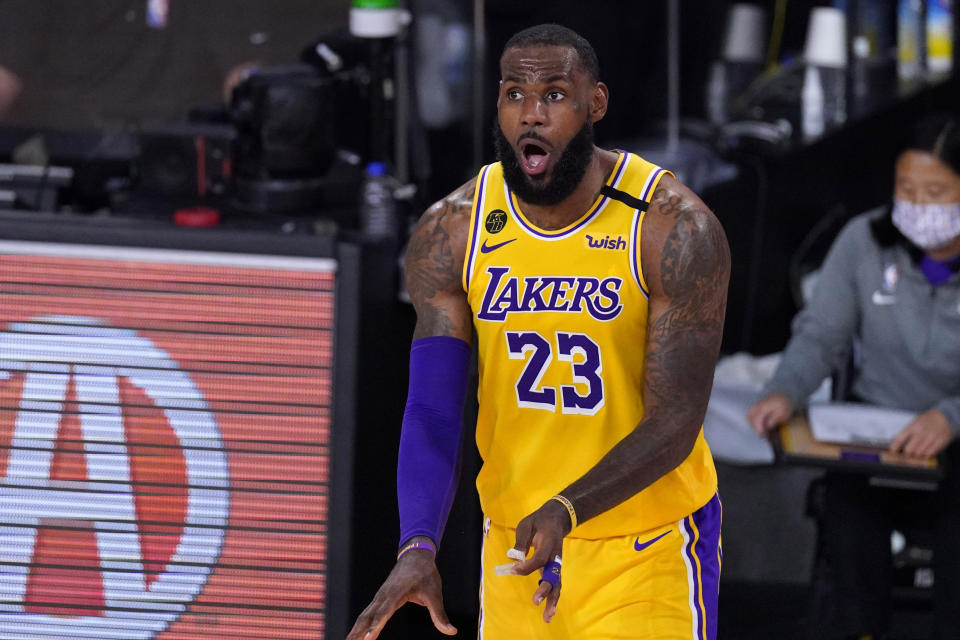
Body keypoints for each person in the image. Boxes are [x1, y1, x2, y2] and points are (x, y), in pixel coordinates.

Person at [347, 24, 730, 640]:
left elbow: (675, 423)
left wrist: (568, 508)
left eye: (554, 94)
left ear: (595, 103)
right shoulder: (454, 230)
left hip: (644, 550)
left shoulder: (673, 229)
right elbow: (434, 409)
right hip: (517, 546)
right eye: (514, 94)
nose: (532, 114)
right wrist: (417, 543)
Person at [747, 113, 960, 640]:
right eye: (907, 189)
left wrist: (949, 417)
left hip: (953, 434)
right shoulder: (863, 242)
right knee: (849, 508)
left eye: (936, 192)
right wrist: (785, 389)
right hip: (876, 425)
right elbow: (822, 335)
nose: (919, 206)